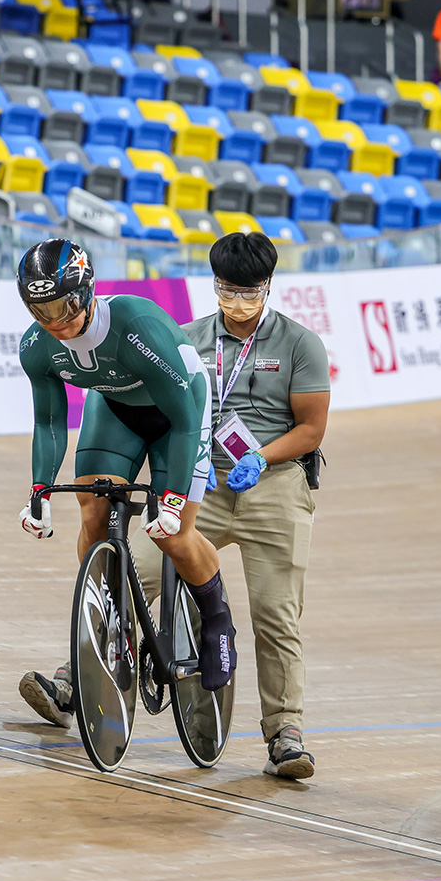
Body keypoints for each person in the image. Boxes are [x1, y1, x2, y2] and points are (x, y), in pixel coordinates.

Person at [129, 233, 329, 778]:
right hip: (202, 482)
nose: (236, 304)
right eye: (226, 291)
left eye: (248, 293)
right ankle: (81, 679)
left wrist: (261, 458)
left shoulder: (299, 344)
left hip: (274, 484)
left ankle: (285, 733)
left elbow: (312, 428)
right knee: (137, 571)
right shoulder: (188, 337)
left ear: (268, 287)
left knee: (276, 614)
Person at [13, 239, 237, 722]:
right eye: (41, 310)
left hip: (180, 412)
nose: (55, 321)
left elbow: (182, 419)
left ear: (87, 292)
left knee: (176, 535)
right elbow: (49, 423)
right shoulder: (36, 346)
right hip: (115, 410)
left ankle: (217, 618)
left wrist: (173, 498)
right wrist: (39, 490)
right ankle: (112, 626)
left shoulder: (136, 327)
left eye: (64, 305)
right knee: (93, 513)